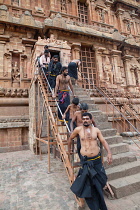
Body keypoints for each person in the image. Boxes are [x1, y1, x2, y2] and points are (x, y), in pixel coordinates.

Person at [68, 112, 112, 210]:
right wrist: (69, 149)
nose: (85, 120)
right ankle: (94, 207)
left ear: (91, 120)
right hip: (86, 162)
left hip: (96, 161)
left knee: (100, 181)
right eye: (83, 119)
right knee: (88, 185)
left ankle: (101, 205)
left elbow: (103, 141)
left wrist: (109, 153)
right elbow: (70, 138)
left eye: (87, 118)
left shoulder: (96, 130)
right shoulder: (78, 130)